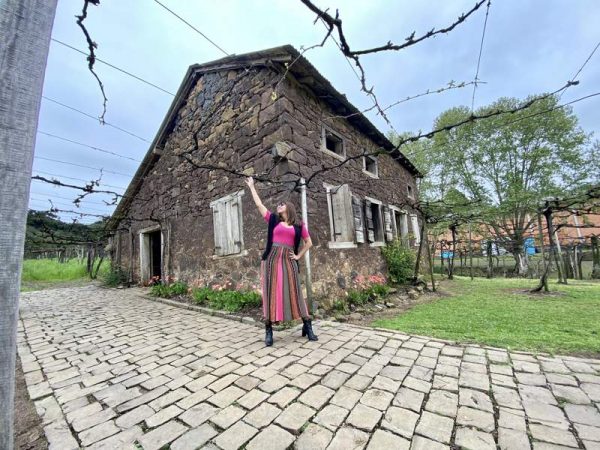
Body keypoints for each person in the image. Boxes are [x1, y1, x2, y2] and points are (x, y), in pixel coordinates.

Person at [244, 177, 318, 346]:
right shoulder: (273, 220)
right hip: (271, 260)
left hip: (289, 261)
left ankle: (307, 325)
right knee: (271, 293)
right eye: (278, 204)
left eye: (282, 203)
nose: (279, 205)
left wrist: (298, 256)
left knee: (295, 292)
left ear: (289, 208)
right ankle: (268, 329)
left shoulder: (299, 226)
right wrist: (252, 187)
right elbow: (259, 205)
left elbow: (309, 243)